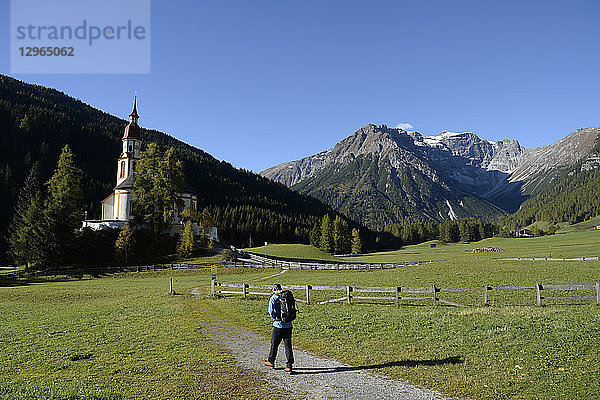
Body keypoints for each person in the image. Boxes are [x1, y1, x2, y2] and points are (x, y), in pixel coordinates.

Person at [263, 283, 294, 373]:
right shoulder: (285, 297)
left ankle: (271, 361)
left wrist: (274, 318)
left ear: (273, 290)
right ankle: (289, 366)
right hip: (288, 325)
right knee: (288, 345)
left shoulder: (273, 298)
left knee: (274, 344)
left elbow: (271, 311)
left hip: (278, 325)